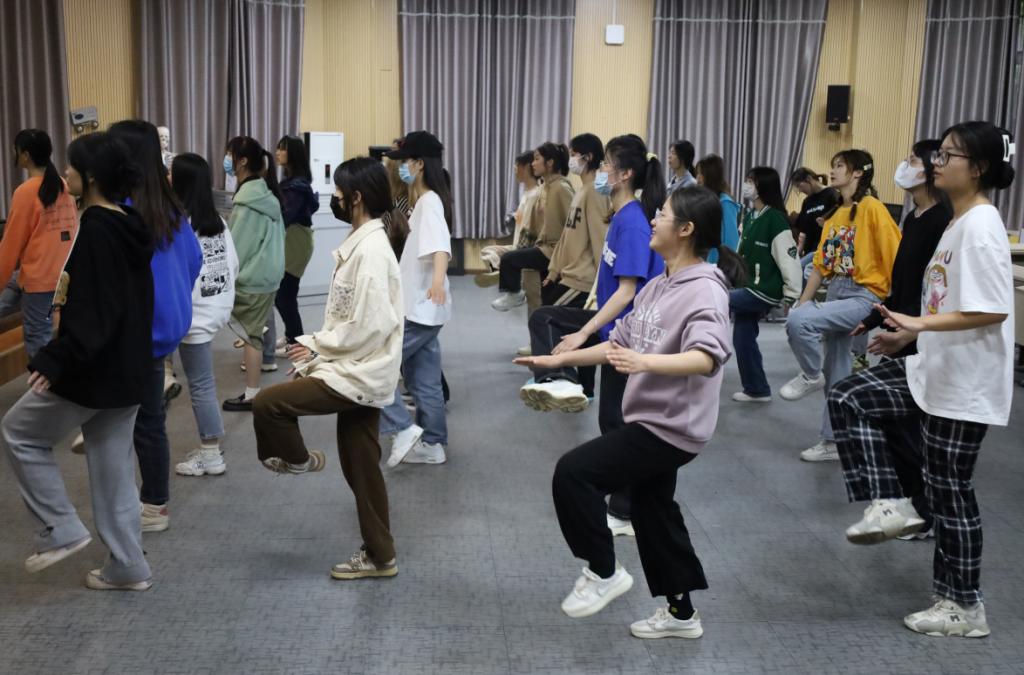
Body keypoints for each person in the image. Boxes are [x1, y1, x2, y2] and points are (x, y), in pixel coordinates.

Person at [516, 185, 745, 638]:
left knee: (574, 473)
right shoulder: (659, 285)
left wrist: (645, 363)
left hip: (671, 426)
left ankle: (603, 571)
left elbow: (706, 357)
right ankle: (681, 614)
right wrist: (559, 360)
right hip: (653, 418)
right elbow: (617, 344)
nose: (653, 220)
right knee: (653, 510)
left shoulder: (705, 290)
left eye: (662, 214)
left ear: (686, 229)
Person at [828, 121, 1015, 638]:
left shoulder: (980, 226)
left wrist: (918, 325)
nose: (936, 162)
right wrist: (910, 335)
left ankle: (964, 606)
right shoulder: (958, 221)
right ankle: (891, 501)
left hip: (965, 381)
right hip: (935, 367)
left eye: (949, 155)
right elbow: (947, 302)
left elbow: (992, 309)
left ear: (977, 168)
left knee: (951, 492)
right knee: (851, 396)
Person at [2, 131, 155, 591]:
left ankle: (60, 529)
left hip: (95, 371)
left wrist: (55, 360)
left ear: (90, 177)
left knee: (19, 431)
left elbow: (95, 312)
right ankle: (128, 565)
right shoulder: (127, 224)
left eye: (71, 166)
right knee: (113, 470)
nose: (64, 172)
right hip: (127, 370)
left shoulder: (99, 232)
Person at [253, 157, 405, 579]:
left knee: (268, 404)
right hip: (357, 366)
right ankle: (381, 556)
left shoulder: (371, 250)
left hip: (359, 372)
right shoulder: (363, 241)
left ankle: (299, 460)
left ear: (356, 198)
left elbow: (368, 326)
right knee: (362, 466)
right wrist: (319, 353)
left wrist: (315, 347)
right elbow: (350, 319)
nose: (332, 200)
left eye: (337, 194)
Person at [519, 134, 665, 536]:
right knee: (545, 319)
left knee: (617, 423)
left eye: (605, 166)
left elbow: (628, 291)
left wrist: (584, 332)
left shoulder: (633, 223)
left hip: (629, 337)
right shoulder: (619, 217)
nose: (600, 171)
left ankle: (625, 510)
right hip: (613, 328)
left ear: (625, 174)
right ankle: (561, 380)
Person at [843, 139, 951, 539]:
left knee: (907, 429)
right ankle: (910, 507)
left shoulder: (943, 221)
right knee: (896, 427)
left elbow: (934, 292)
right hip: (900, 330)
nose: (905, 165)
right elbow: (902, 284)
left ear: (932, 167)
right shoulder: (915, 218)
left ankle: (922, 512)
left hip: (920, 336)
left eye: (912, 159)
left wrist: (911, 331)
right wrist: (876, 317)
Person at [109, 120, 202, 533]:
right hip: (166, 327)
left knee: (129, 420)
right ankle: (155, 504)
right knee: (150, 420)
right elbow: (194, 261)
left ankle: (144, 504)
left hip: (134, 331)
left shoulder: (122, 211)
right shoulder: (170, 206)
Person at [782, 149, 900, 462]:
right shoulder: (835, 215)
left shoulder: (873, 208)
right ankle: (834, 441)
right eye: (833, 165)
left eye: (839, 166)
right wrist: (802, 303)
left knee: (801, 323)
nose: (832, 171)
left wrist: (892, 310)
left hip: (865, 295)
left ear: (858, 172)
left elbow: (895, 257)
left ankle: (810, 374)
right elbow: (820, 267)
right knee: (838, 372)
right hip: (837, 290)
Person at [378, 131, 453, 467]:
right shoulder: (424, 202)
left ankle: (403, 428)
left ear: (419, 164)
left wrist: (436, 283)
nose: (400, 168)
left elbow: (441, 248)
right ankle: (433, 444)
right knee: (425, 381)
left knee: (377, 367)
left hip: (421, 309)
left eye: (405, 161)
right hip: (423, 309)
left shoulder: (429, 202)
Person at [169, 153, 239, 477]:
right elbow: (233, 265)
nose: (167, 178)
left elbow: (177, 275)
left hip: (194, 316)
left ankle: (210, 454)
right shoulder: (218, 222)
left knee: (201, 385)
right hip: (217, 308)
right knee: (202, 382)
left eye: (171, 173)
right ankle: (210, 449)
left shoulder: (181, 225)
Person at [0, 129, 78, 357]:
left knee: (37, 342)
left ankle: (43, 378)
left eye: (16, 150)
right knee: (12, 286)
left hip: (41, 281)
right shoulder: (64, 185)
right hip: (62, 275)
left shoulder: (25, 192)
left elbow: (10, 246)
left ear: (25, 155)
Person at [221, 136, 285, 412]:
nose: (227, 160)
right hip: (269, 274)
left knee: (251, 337)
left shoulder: (248, 200)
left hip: (254, 277)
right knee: (254, 333)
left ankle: (252, 394)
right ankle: (253, 391)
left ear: (242, 161)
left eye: (230, 154)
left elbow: (238, 247)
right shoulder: (265, 194)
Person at [729, 167, 802, 402]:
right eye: (746, 180)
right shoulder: (751, 216)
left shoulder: (775, 219)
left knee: (715, 298)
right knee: (742, 337)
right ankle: (757, 389)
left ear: (764, 186)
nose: (746, 185)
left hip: (763, 290)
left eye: (751, 181)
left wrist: (792, 294)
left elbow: (789, 259)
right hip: (748, 285)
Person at [492, 142, 573, 311]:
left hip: (554, 251)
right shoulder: (544, 188)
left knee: (509, 259)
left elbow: (573, 226)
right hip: (543, 248)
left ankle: (514, 293)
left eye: (537, 159)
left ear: (549, 163)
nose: (533, 164)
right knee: (547, 300)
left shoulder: (561, 188)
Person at [264, 135, 319, 364]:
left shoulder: (296, 186)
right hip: (293, 241)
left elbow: (283, 216)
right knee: (285, 294)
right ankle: (293, 337)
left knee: (285, 296)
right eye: (277, 148)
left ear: (293, 154)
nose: (277, 153)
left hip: (295, 243)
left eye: (282, 149)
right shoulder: (293, 182)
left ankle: (296, 342)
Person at [543, 133, 611, 308]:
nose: (571, 159)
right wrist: (553, 271)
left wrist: (603, 284)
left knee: (545, 315)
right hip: (569, 275)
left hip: (583, 280)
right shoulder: (582, 190)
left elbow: (600, 239)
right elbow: (566, 235)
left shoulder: (596, 192)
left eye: (574, 154)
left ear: (588, 157)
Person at [474, 151, 541, 289]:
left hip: (524, 247)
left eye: (516, 167)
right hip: (516, 245)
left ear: (526, 167)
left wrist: (519, 252)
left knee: (529, 295)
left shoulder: (535, 194)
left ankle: (506, 270)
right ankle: (500, 270)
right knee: (487, 252)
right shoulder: (527, 193)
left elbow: (529, 229)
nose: (515, 171)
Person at [789, 167, 838, 279]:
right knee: (793, 267)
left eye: (799, 186)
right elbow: (803, 231)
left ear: (809, 179)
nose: (800, 190)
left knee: (799, 269)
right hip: (809, 251)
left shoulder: (832, 194)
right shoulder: (807, 201)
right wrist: (798, 251)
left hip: (824, 249)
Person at [694, 154, 740, 264]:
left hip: (719, 263)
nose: (697, 178)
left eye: (701, 174)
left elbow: (731, 242)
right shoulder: (708, 201)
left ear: (711, 176)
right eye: (697, 174)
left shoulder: (725, 203)